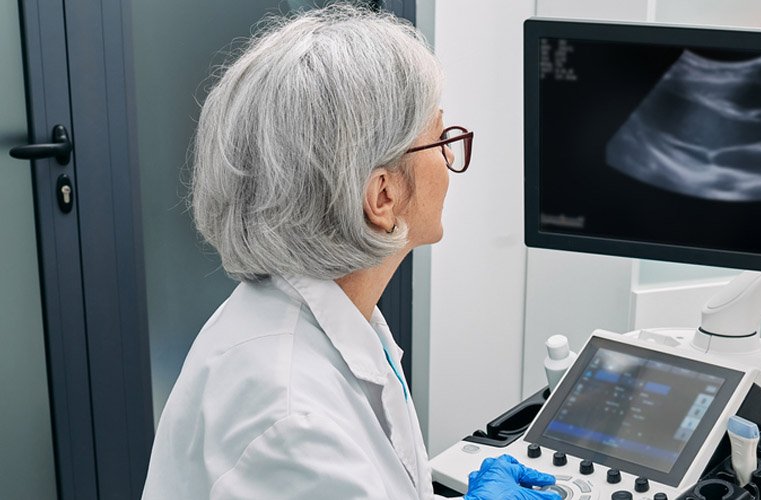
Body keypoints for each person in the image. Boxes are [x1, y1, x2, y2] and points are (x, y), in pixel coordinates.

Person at [142, 6, 560, 499]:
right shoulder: (292, 421)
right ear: (382, 197)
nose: (449, 158)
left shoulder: (321, 316)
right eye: (439, 139)